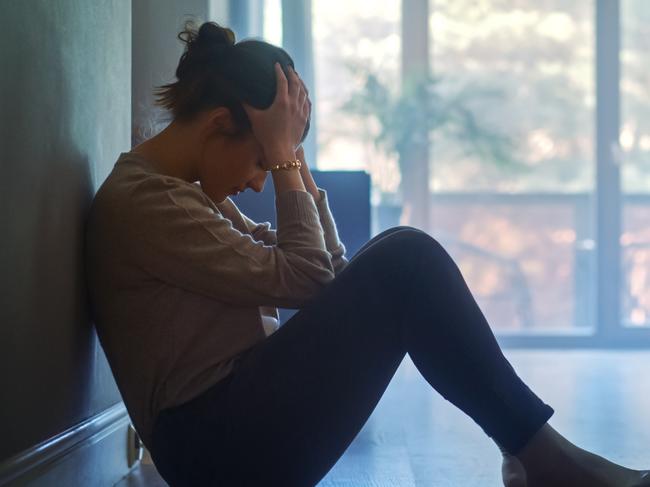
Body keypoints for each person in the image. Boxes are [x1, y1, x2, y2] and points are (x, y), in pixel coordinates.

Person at [84, 20, 650, 487]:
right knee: (405, 260)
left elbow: (328, 276)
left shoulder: (183, 195)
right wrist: (284, 159)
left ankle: (535, 452)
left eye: (269, 164)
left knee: (398, 254)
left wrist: (291, 158)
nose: (260, 183)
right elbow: (306, 279)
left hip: (231, 429)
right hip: (215, 451)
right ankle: (545, 459)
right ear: (216, 127)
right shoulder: (149, 203)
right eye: (261, 160)